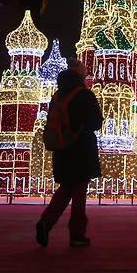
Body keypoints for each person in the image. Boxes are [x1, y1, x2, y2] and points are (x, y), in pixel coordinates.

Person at [36, 69, 102, 247]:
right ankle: (77, 234)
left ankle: (46, 221)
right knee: (79, 193)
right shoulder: (85, 96)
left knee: (65, 189)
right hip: (81, 150)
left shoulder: (57, 98)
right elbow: (96, 122)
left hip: (62, 149)